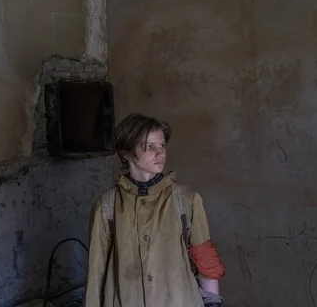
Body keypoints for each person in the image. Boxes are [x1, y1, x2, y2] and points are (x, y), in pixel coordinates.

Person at [84, 113, 226, 306]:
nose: (161, 153)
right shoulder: (107, 205)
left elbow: (205, 260)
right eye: (150, 146)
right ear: (127, 153)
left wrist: (214, 304)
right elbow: (96, 272)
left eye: (162, 145)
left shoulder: (186, 199)